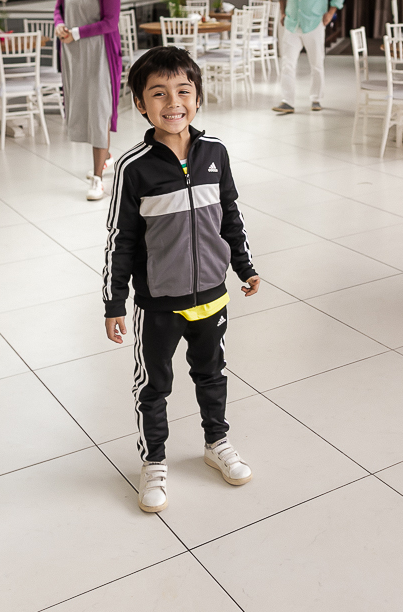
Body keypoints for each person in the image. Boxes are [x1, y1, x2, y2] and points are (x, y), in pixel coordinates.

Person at [103, 46, 261, 514]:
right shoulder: (134, 169)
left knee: (212, 375)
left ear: (197, 97)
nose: (173, 102)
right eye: (158, 93)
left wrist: (244, 266)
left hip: (213, 292)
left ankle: (217, 443)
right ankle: (153, 462)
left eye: (183, 91)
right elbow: (122, 240)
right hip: (158, 303)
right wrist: (115, 302)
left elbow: (230, 216)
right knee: (155, 385)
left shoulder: (216, 155)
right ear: (140, 105)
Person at [53, 0, 124, 201]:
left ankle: (97, 178)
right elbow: (58, 8)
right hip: (73, 54)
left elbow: (111, 22)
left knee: (99, 111)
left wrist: (77, 32)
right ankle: (104, 156)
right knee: (84, 108)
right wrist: (59, 25)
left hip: (100, 54)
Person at [272, 0, 347, 114]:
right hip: (292, 22)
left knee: (316, 63)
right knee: (288, 63)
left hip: (314, 22)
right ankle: (287, 101)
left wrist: (330, 13)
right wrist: (282, 12)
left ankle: (316, 99)